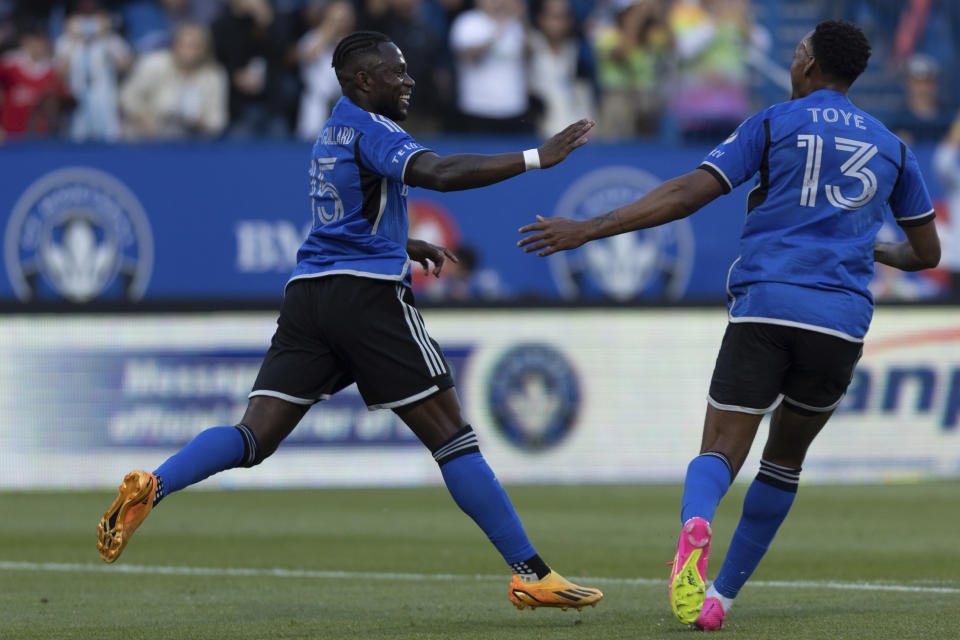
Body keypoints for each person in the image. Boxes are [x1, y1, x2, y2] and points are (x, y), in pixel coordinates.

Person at [97, 30, 603, 613]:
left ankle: (153, 486)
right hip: (366, 300)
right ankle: (531, 574)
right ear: (363, 81)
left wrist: (403, 241)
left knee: (253, 436)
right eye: (396, 72)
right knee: (452, 437)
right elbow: (439, 173)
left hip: (309, 297)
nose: (408, 79)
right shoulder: (374, 128)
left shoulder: (332, 128)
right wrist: (538, 157)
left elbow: (348, 217)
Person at [518, 20, 940, 630]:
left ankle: (696, 525)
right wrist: (876, 250)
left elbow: (690, 192)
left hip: (769, 302)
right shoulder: (893, 147)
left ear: (806, 62)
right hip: (841, 320)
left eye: (796, 54)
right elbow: (925, 254)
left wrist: (588, 228)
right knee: (785, 461)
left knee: (720, 447)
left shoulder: (773, 122)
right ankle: (720, 600)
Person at [120, 23, 228, 139]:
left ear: (205, 49)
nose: (189, 52)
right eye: (185, 45)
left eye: (195, 46)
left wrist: (203, 123)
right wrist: (142, 116)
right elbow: (127, 95)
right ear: (175, 46)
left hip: (194, 143)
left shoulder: (214, 75)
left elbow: (218, 120)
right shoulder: (154, 64)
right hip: (146, 139)